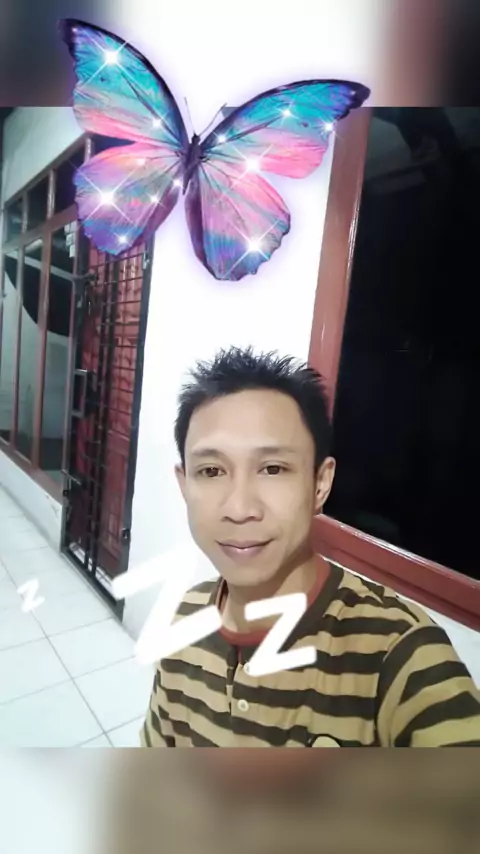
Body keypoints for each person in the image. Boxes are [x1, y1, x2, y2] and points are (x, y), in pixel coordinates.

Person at [141, 346, 480, 747]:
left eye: (273, 468)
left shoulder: (398, 652)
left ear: (320, 484)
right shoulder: (182, 620)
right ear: (184, 486)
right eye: (211, 471)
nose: (240, 509)